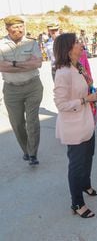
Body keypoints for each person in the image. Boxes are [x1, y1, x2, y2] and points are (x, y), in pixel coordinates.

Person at [53, 33, 97, 219]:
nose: (81, 45)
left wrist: (92, 93)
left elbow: (85, 88)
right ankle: (77, 203)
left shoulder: (78, 66)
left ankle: (85, 185)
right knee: (77, 165)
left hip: (87, 120)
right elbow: (61, 104)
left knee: (89, 156)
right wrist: (85, 99)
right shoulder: (63, 73)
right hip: (74, 125)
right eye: (77, 43)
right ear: (68, 49)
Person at [0, 16, 43, 165]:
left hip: (33, 86)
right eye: (15, 27)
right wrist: (25, 63)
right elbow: (0, 66)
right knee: (17, 123)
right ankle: (26, 150)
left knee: (32, 121)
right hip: (11, 89)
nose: (19, 30)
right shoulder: (1, 44)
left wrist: (11, 64)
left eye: (21, 27)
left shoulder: (31, 42)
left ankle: (33, 153)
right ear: (7, 29)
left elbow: (37, 63)